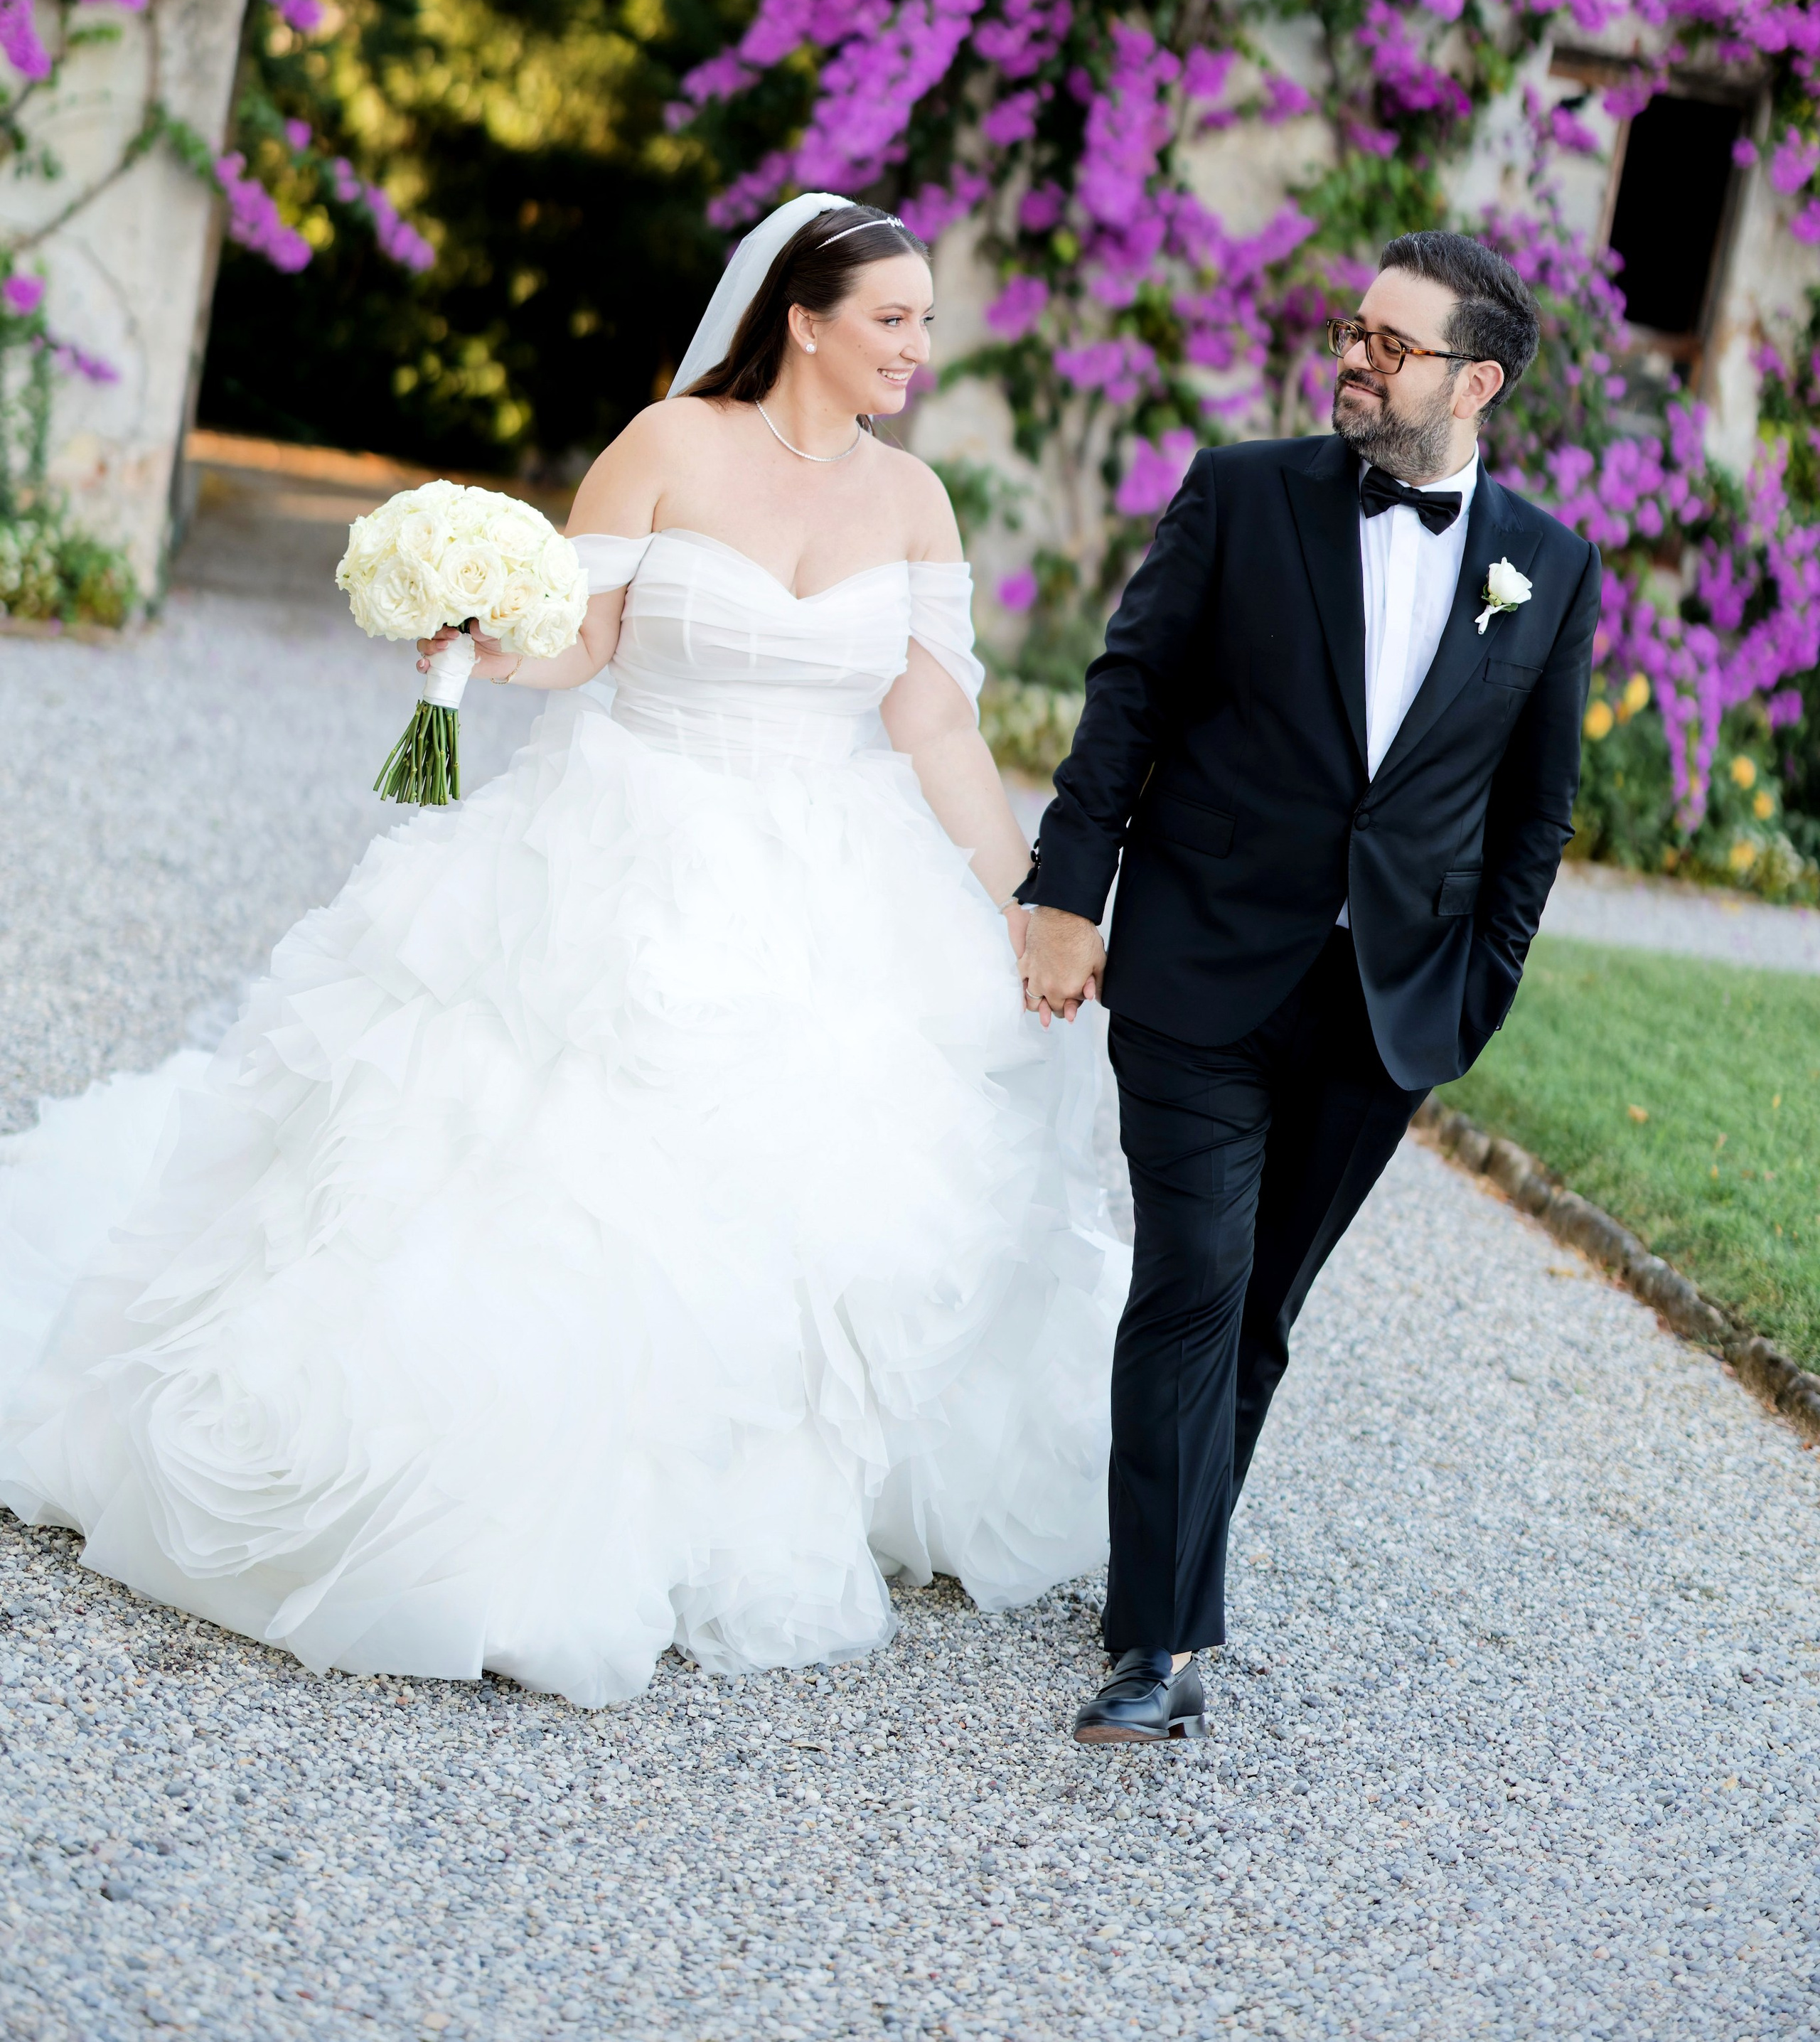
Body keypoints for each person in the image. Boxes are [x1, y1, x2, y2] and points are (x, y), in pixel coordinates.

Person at [0, 194, 1126, 1711]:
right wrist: (471, 643)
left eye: (925, 320)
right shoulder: (664, 447)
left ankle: (732, 1492)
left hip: (831, 877)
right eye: (892, 319)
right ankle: (516, 1496)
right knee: (561, 1162)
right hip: (633, 836)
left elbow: (930, 721)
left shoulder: (914, 500)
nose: (918, 347)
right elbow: (579, 643)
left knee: (814, 1191)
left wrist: (1023, 899)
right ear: (800, 318)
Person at [1017, 230, 1599, 1746]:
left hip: (1385, 1008)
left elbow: (1535, 812)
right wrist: (1067, 890)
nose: (1351, 357)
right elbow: (1126, 693)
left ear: (1472, 381)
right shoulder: (1238, 492)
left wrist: (1476, 991)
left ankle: (1162, 1577)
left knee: (1261, 1314)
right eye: (1350, 329)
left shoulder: (1546, 565)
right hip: (1198, 964)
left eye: (1391, 345)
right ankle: (1154, 1646)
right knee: (1191, 1285)